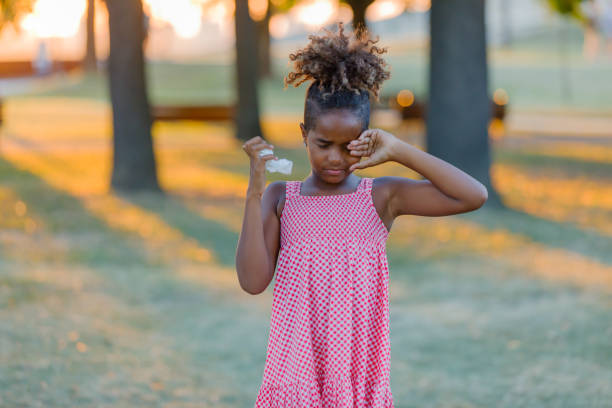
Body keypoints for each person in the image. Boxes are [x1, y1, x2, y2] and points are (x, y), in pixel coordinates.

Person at [236, 23, 488, 407]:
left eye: (349, 146)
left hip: (356, 374)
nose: (335, 158)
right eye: (323, 144)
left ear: (368, 138)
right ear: (304, 134)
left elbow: (473, 195)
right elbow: (253, 281)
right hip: (296, 372)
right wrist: (254, 193)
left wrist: (399, 150)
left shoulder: (382, 197)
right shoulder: (279, 199)